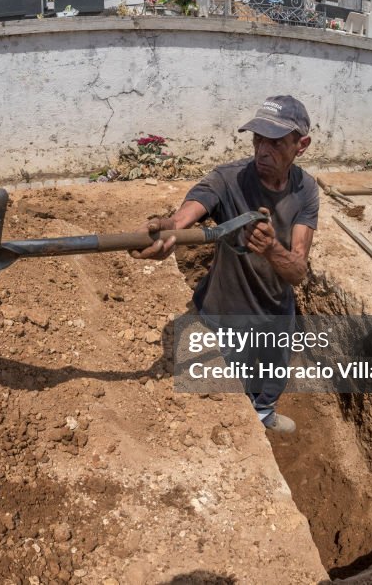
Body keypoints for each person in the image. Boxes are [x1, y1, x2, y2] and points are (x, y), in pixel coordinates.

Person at [130, 95, 319, 433]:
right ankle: (247, 429)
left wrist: (272, 249)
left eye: (275, 142)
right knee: (236, 384)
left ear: (301, 145)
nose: (262, 149)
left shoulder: (306, 191)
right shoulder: (228, 178)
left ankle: (264, 414)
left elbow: (297, 273)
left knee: (273, 376)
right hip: (228, 311)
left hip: (278, 310)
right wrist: (173, 229)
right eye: (258, 138)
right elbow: (192, 208)